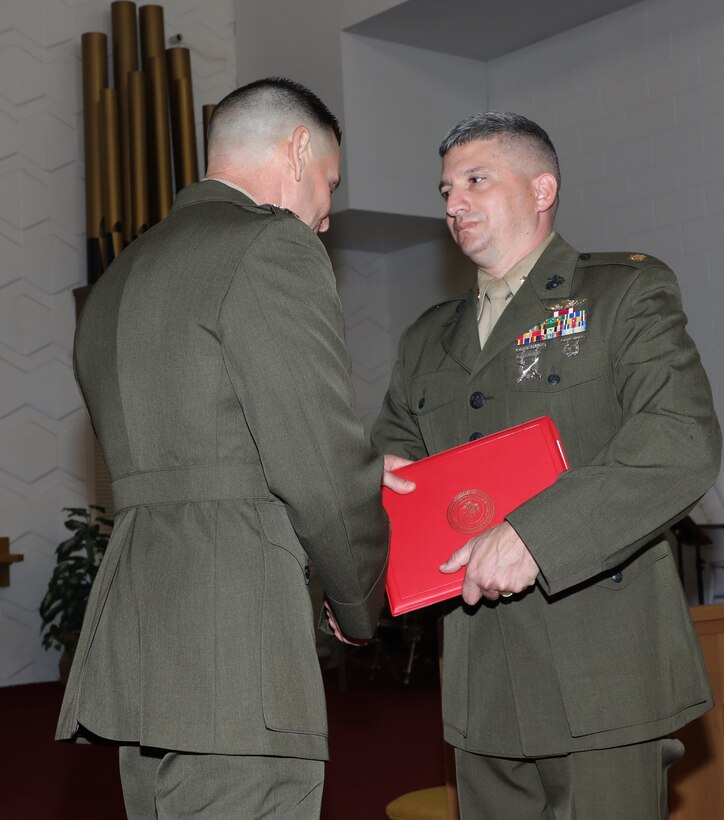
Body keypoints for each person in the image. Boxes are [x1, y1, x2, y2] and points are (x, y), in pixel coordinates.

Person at [57, 77, 391, 820]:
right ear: (297, 149)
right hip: (237, 645)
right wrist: (359, 599)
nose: (327, 215)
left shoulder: (117, 278)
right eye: (328, 184)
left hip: (139, 649)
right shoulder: (271, 246)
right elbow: (320, 463)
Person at [371, 111, 721, 819]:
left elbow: (679, 440)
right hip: (481, 675)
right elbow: (393, 469)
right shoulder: (425, 338)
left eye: (475, 180)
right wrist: (362, 528)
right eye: (444, 189)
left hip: (603, 664)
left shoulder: (622, 294)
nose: (453, 203)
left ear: (541, 189)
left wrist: (535, 534)